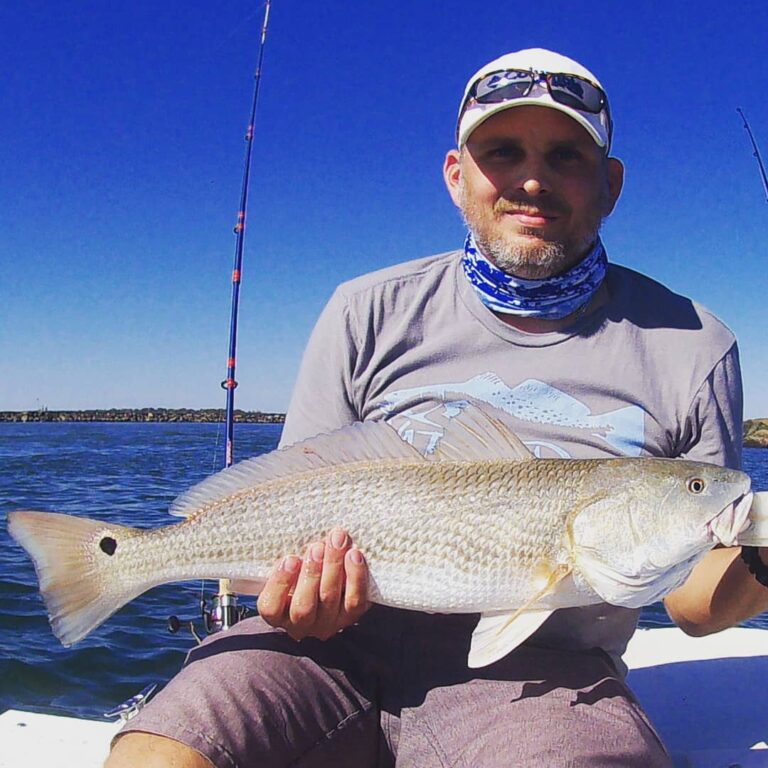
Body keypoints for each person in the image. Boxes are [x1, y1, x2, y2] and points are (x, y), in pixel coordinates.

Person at [107, 48, 768, 768]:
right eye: (502, 151)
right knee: (163, 752)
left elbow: (693, 607)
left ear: (610, 184)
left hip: (546, 680)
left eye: (568, 156)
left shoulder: (694, 346)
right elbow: (290, 490)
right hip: (320, 651)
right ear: (457, 176)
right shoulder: (366, 309)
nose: (533, 179)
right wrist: (293, 591)